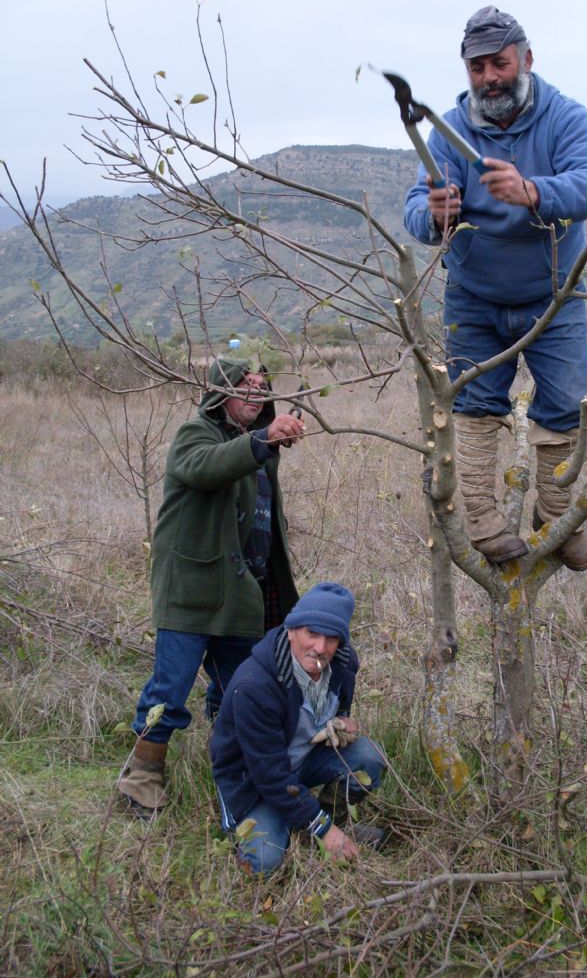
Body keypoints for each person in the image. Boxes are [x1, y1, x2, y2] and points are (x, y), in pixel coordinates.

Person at [404, 5, 587, 570]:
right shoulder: (449, 130)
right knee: (472, 405)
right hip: (473, 298)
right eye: (478, 67)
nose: (489, 77)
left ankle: (554, 516)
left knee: (566, 405)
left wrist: (534, 191)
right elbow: (414, 208)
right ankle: (485, 524)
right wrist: (434, 215)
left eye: (499, 63)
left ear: (526, 59)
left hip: (555, 295)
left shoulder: (566, 117)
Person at [117, 356, 304, 815]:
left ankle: (235, 775)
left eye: (262, 385)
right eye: (245, 384)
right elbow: (204, 467)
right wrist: (263, 439)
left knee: (240, 692)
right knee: (170, 688)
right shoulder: (196, 433)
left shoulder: (260, 452)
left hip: (243, 595)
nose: (255, 391)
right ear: (222, 392)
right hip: (191, 590)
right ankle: (140, 780)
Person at [210, 582, 387, 875]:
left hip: (302, 760)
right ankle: (314, 827)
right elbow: (270, 774)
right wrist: (321, 828)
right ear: (291, 630)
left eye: (331, 638)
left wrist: (342, 722)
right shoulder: (255, 686)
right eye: (311, 633)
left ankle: (326, 822)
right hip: (253, 780)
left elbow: (342, 708)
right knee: (263, 864)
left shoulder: (343, 664)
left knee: (369, 758)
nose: (320, 648)